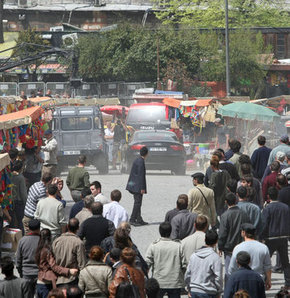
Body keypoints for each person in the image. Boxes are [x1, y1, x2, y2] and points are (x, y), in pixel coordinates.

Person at [145, 222, 187, 298]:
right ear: (170, 232)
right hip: (175, 282)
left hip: (159, 282)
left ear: (160, 232)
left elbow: (147, 264)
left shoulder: (154, 246)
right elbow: (184, 264)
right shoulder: (178, 246)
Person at [260, 187, 290, 289]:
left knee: (266, 261)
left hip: (271, 238)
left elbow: (264, 224)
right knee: (285, 262)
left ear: (268, 196)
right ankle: (288, 283)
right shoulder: (285, 207)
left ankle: (264, 282)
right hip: (283, 237)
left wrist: (261, 236)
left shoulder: (267, 208)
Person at [35, 229, 78, 297]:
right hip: (47, 283)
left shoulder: (39, 249)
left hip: (40, 281)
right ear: (50, 237)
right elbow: (54, 267)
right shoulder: (47, 250)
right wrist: (69, 271)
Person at [228, 223, 271, 289]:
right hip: (258, 281)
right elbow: (267, 267)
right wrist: (268, 280)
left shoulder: (238, 248)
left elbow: (232, 268)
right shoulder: (263, 247)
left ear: (243, 232)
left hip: (242, 281)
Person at [218, 193, 250, 281]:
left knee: (229, 272)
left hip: (229, 248)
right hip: (242, 246)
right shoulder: (244, 214)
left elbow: (222, 233)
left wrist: (220, 247)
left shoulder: (225, 216)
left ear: (226, 202)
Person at [184, 230, 223, 298]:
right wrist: (219, 291)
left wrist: (189, 288)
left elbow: (188, 274)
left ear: (205, 239)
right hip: (209, 292)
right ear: (216, 242)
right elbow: (218, 277)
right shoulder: (215, 258)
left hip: (194, 291)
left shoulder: (194, 256)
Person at [52, 218, 86, 288]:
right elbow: (82, 265)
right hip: (72, 280)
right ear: (78, 228)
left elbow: (52, 261)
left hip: (58, 279)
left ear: (67, 226)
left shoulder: (56, 241)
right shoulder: (78, 243)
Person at [16, 219, 41, 297]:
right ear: (39, 228)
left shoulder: (22, 241)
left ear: (29, 228)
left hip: (26, 274)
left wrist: (21, 273)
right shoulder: (42, 241)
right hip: (40, 275)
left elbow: (18, 260)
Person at [126, 146, 148, 226]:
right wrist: (142, 188)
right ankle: (132, 219)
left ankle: (139, 219)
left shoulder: (137, 160)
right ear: (147, 154)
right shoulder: (141, 161)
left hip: (134, 185)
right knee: (137, 203)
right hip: (137, 186)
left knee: (138, 202)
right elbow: (141, 175)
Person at [10, 160, 27, 233]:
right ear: (20, 168)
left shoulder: (9, 175)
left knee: (12, 221)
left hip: (10, 201)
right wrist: (26, 202)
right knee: (20, 221)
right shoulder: (20, 177)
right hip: (19, 202)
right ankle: (21, 235)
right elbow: (23, 192)